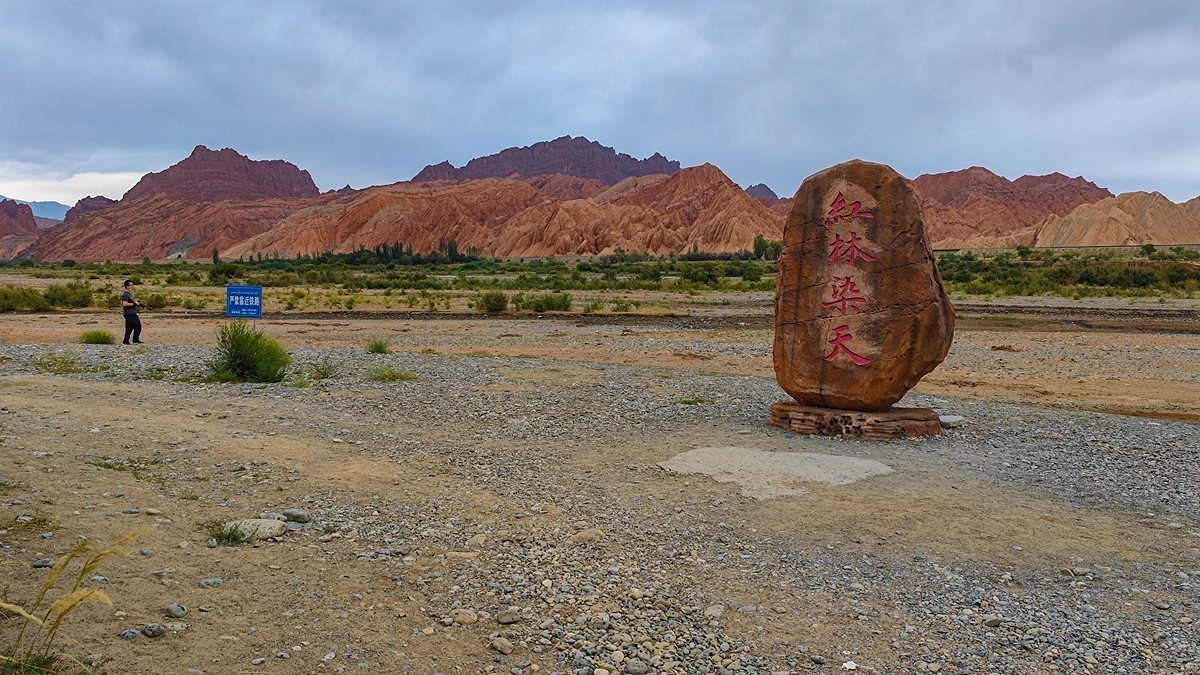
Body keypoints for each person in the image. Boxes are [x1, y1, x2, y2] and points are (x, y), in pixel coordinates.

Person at [120, 279, 144, 344]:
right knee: (138, 326)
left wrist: (138, 303)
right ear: (127, 286)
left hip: (131, 313)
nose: (132, 286)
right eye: (131, 285)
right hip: (129, 314)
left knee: (129, 328)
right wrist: (134, 304)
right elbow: (124, 304)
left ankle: (126, 341)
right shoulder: (125, 294)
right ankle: (135, 340)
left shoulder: (129, 294)